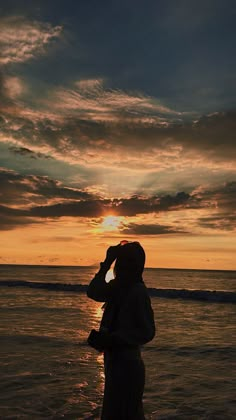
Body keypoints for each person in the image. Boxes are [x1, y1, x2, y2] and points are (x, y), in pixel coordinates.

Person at [87, 240, 155, 420]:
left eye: (129, 263)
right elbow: (93, 292)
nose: (125, 267)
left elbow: (147, 331)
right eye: (123, 262)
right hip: (114, 363)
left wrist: (114, 339)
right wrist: (106, 263)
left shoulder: (137, 291)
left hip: (127, 365)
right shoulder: (118, 287)